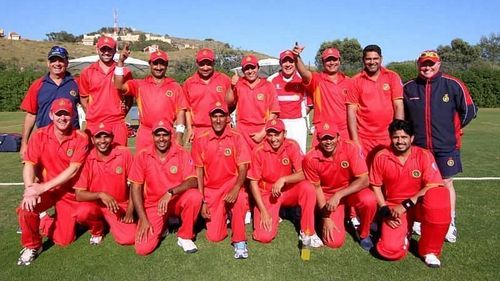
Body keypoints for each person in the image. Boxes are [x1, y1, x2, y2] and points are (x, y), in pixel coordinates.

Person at [403, 50, 478, 243]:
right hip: (418, 147)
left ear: (439, 64)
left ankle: (449, 223)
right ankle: (418, 220)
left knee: (445, 184)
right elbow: (402, 117)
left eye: (431, 64)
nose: (427, 67)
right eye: (424, 64)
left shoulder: (453, 84)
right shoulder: (409, 87)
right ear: (418, 64)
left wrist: (452, 130)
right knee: (418, 183)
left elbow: (469, 110)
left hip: (446, 145)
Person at [16, 98, 90, 266]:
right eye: (59, 114)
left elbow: (73, 170)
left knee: (64, 240)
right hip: (47, 191)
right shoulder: (39, 135)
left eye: (66, 114)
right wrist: (30, 189)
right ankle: (32, 245)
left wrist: (41, 188)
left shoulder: (81, 138)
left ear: (72, 116)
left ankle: (43, 219)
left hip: (67, 193)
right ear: (51, 115)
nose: (62, 118)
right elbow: (29, 164)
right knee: (26, 208)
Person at [370, 119, 451, 268]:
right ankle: (403, 233)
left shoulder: (424, 155)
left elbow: (433, 184)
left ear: (412, 138)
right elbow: (375, 185)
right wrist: (384, 210)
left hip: (420, 205)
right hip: (394, 208)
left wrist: (406, 204)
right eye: (396, 137)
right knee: (390, 251)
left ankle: (429, 250)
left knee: (439, 195)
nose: (400, 141)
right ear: (391, 138)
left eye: (404, 137)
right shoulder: (381, 156)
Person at [128, 119, 202, 255]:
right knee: (142, 249)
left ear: (171, 135)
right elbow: (135, 188)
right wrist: (143, 219)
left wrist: (171, 192)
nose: (161, 139)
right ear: (152, 136)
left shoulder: (181, 153)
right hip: (154, 205)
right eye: (158, 135)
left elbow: (193, 181)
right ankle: (165, 224)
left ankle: (185, 236)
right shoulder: (142, 155)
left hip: (176, 200)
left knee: (195, 196)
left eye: (165, 134)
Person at [247, 118, 322, 247]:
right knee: (264, 236)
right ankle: (278, 213)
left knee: (308, 187)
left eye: (277, 134)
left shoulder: (292, 145)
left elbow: (303, 173)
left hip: (287, 189)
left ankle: (308, 232)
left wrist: (284, 179)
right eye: (270, 135)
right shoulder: (258, 151)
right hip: (267, 193)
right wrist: (263, 211)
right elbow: (253, 183)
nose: (273, 139)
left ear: (284, 134)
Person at [303, 122, 377, 250]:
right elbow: (317, 188)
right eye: (324, 138)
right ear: (318, 139)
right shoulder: (311, 158)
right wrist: (326, 217)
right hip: (327, 196)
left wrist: (339, 194)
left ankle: (364, 233)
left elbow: (364, 180)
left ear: (338, 137)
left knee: (369, 200)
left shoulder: (350, 148)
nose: (328, 142)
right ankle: (322, 218)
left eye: (331, 137)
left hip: (349, 191)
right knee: (334, 242)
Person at [191, 102, 251, 259]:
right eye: (214, 116)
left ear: (227, 118)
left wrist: (237, 188)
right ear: (210, 118)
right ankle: (225, 215)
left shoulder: (237, 137)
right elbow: (198, 172)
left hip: (232, 183)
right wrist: (202, 201)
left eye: (221, 116)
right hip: (211, 190)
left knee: (238, 200)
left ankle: (240, 241)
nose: (218, 120)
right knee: (214, 236)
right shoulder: (201, 139)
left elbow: (243, 167)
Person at [73, 122, 136, 246]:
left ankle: (111, 222)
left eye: (106, 136)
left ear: (112, 137)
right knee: (82, 212)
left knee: (129, 239)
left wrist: (130, 210)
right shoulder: (87, 158)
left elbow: (135, 184)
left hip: (119, 205)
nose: (102, 141)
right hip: (96, 205)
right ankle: (97, 229)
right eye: (98, 137)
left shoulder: (124, 153)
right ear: (92, 139)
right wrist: (100, 195)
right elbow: (79, 194)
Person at [114, 48, 187, 149]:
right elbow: (119, 86)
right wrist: (120, 62)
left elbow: (181, 113)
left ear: (166, 65)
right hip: (146, 134)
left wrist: (179, 136)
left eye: (162, 64)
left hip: (167, 134)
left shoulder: (175, 87)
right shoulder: (139, 85)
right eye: (155, 63)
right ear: (150, 64)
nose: (158, 67)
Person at [347, 44, 404, 163]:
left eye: (375, 58)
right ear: (363, 60)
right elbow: (351, 112)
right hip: (364, 138)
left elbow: (398, 106)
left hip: (387, 137)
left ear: (381, 59)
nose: (372, 62)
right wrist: (355, 140)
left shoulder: (392, 77)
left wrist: (398, 133)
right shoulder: (355, 80)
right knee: (366, 177)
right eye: (368, 59)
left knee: (388, 174)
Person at [20, 46, 80, 158]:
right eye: (53, 60)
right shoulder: (38, 85)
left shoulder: (76, 83)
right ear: (48, 63)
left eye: (61, 60)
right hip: (44, 141)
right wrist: (24, 144)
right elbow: (30, 115)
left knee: (72, 174)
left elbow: (89, 107)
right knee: (41, 175)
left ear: (67, 63)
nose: (57, 63)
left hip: (71, 141)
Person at [291, 45, 352, 147]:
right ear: (323, 62)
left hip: (344, 131)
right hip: (323, 130)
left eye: (334, 59)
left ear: (339, 61)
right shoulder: (317, 80)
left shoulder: (349, 82)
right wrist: (296, 56)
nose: (332, 63)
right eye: (328, 60)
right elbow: (304, 73)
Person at [79, 36, 133, 146]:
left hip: (117, 123)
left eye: (110, 49)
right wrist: (94, 114)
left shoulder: (125, 72)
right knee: (94, 160)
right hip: (94, 123)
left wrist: (120, 113)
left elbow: (129, 98)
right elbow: (84, 100)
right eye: (103, 49)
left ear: (115, 51)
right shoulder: (87, 72)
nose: (106, 52)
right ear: (97, 50)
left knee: (119, 159)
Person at [227, 54, 280, 150]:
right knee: (243, 163)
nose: (250, 71)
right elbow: (228, 103)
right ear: (243, 71)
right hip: (242, 131)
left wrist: (263, 133)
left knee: (261, 163)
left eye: (253, 67)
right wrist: (231, 87)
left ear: (258, 68)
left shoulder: (268, 86)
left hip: (261, 130)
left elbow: (274, 112)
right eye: (247, 69)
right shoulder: (239, 84)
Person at [183, 48, 233, 143]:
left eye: (208, 64)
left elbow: (232, 104)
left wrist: (228, 120)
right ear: (197, 64)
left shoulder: (225, 80)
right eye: (202, 64)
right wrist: (189, 129)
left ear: (214, 63)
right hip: (199, 130)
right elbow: (187, 109)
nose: (205, 68)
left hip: (222, 129)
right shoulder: (189, 83)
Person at [267, 50, 311, 153]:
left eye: (291, 61)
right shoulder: (271, 80)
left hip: (297, 123)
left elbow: (309, 104)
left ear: (295, 62)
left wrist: (298, 115)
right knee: (279, 154)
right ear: (280, 63)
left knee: (299, 155)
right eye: (285, 61)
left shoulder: (302, 79)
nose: (288, 65)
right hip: (278, 123)